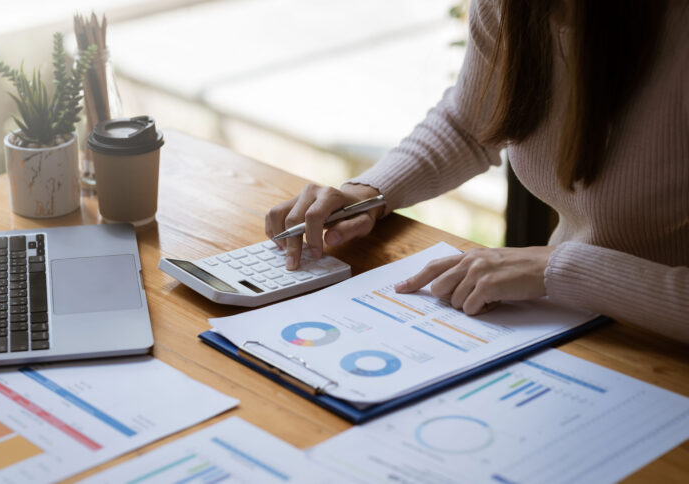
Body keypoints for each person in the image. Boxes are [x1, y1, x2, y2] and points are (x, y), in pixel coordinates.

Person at [265, 0, 689, 343]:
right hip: (582, 323)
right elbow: (472, 124)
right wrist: (370, 193)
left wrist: (558, 269)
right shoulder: (512, 9)